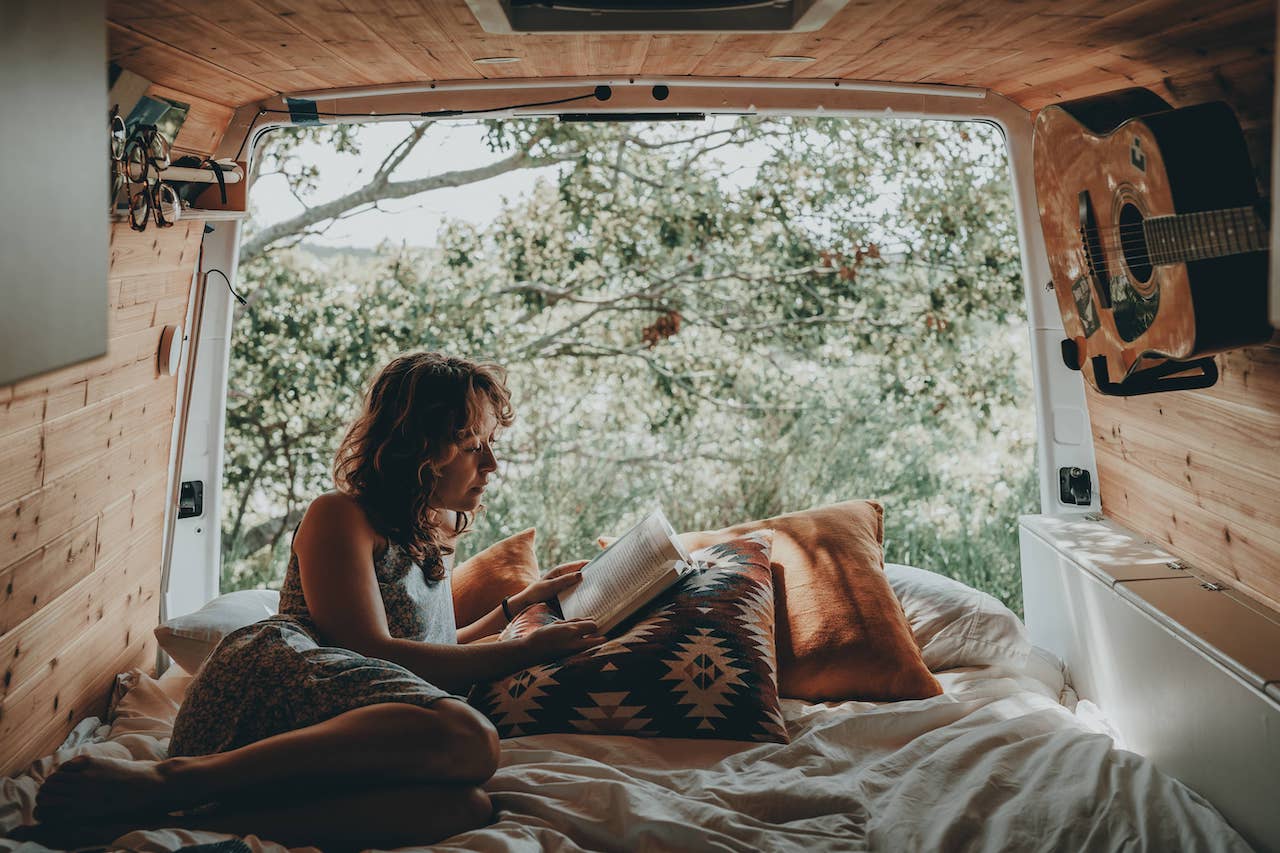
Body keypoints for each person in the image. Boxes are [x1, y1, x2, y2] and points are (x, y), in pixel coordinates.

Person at [28, 352, 605, 850]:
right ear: (419, 446)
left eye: (489, 445)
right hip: (276, 691)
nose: (491, 464)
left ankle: (183, 817)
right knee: (472, 739)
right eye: (470, 444)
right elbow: (373, 650)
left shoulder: (435, 529)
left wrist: (518, 607)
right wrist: (521, 654)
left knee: (463, 810)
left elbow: (431, 648)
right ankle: (173, 779)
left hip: (346, 721)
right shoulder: (341, 515)